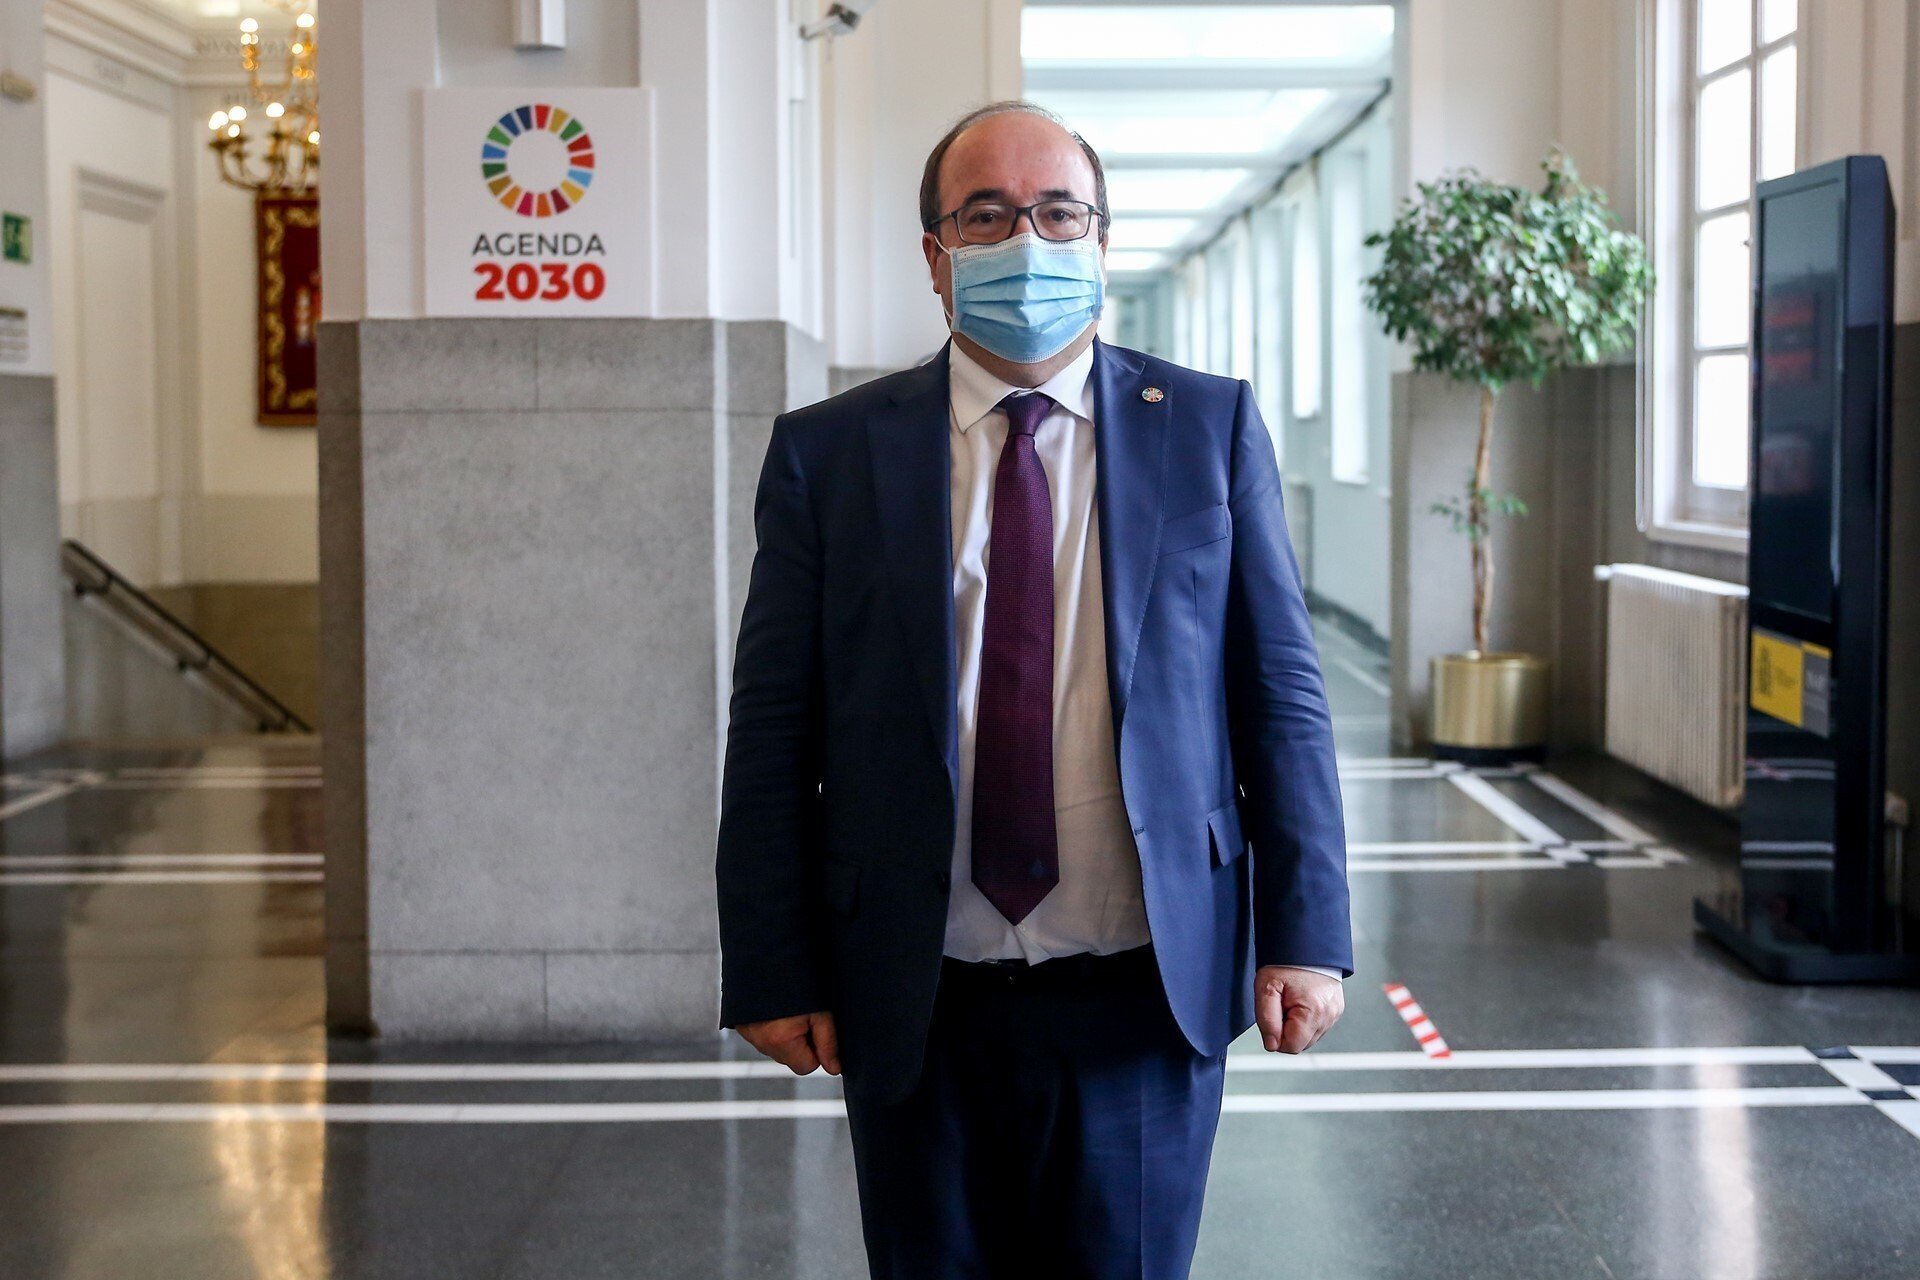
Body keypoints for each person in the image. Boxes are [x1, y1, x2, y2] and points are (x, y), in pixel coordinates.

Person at [715, 100, 1352, 1279]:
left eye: (1060, 212)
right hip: (914, 989)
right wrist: (771, 960)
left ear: (1102, 237)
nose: (1029, 239)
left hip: (1143, 988)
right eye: (987, 215)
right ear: (935, 254)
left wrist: (1307, 933)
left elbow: (1283, 694)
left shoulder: (1207, 427)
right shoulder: (830, 452)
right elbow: (773, 728)